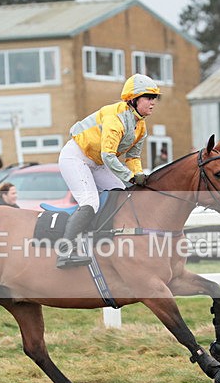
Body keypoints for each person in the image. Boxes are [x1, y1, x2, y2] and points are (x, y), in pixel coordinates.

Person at [56, 73, 159, 268]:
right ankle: (65, 252)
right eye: (148, 97)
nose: (153, 102)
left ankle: (103, 240)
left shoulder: (141, 126)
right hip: (76, 157)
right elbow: (109, 156)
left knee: (120, 195)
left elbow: (133, 157)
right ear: (133, 99)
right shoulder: (115, 118)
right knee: (90, 201)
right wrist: (130, 176)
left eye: (154, 98)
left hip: (97, 163)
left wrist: (139, 176)